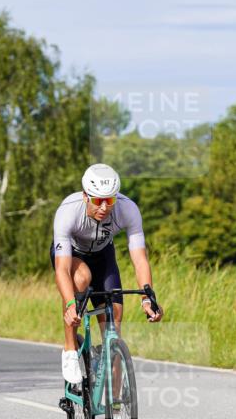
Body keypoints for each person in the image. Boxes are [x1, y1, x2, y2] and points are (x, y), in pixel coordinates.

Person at [51, 163, 163, 385]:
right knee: (81, 277)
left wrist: (147, 298)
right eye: (98, 200)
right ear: (85, 196)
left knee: (114, 323)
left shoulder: (128, 208)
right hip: (72, 256)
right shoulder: (68, 211)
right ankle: (70, 349)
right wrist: (71, 303)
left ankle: (117, 405)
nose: (104, 207)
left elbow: (140, 260)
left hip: (103, 256)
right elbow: (62, 269)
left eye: (109, 200)